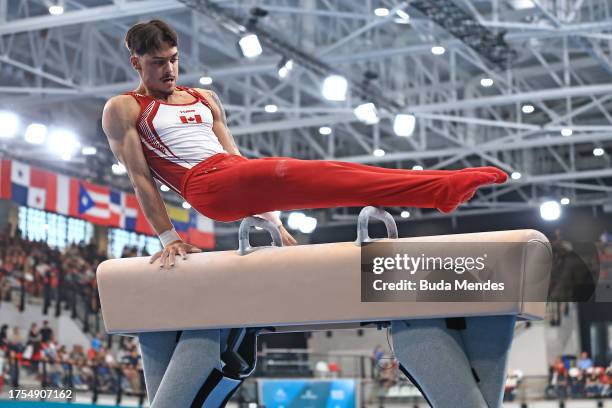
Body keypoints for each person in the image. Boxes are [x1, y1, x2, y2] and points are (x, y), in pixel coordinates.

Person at [101, 19, 509, 408]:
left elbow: (238, 161)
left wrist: (272, 220)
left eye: (173, 58)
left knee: (334, 175)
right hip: (204, 187)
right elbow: (141, 178)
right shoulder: (125, 108)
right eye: (158, 62)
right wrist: (169, 237)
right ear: (136, 62)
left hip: (235, 177)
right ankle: (440, 190)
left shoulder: (204, 99)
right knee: (303, 171)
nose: (169, 69)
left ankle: (439, 191)